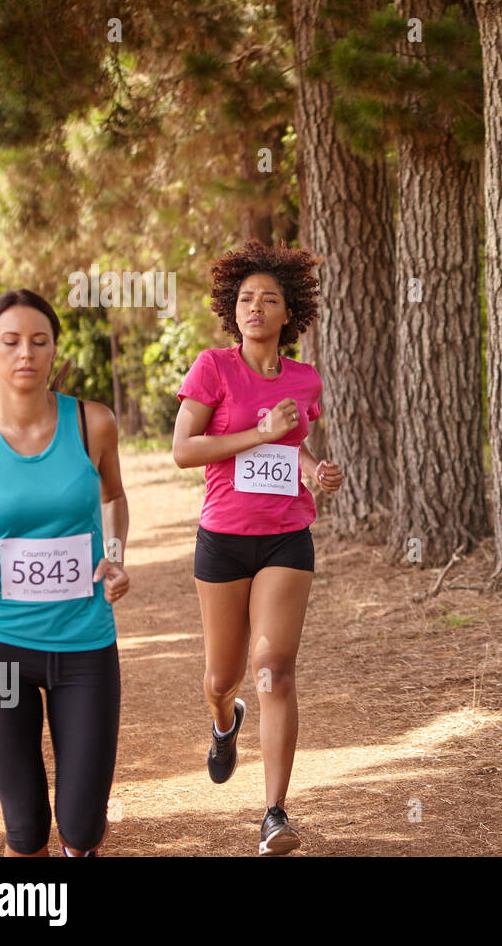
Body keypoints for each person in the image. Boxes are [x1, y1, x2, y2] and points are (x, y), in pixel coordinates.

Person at [0, 288, 130, 857]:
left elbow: (114, 498)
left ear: (54, 353)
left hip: (85, 645)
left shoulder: (94, 424)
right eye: (12, 341)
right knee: (24, 827)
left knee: (82, 826)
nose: (26, 354)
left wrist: (113, 555)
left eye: (40, 342)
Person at [172, 240, 342, 856]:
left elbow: (287, 451)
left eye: (269, 298)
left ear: (287, 311)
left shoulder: (304, 377)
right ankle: (224, 721)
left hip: (286, 540)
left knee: (274, 670)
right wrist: (256, 432)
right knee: (223, 677)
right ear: (232, 308)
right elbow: (185, 450)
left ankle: (274, 812)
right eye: (246, 298)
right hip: (222, 540)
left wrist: (313, 470)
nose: (256, 307)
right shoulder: (213, 368)